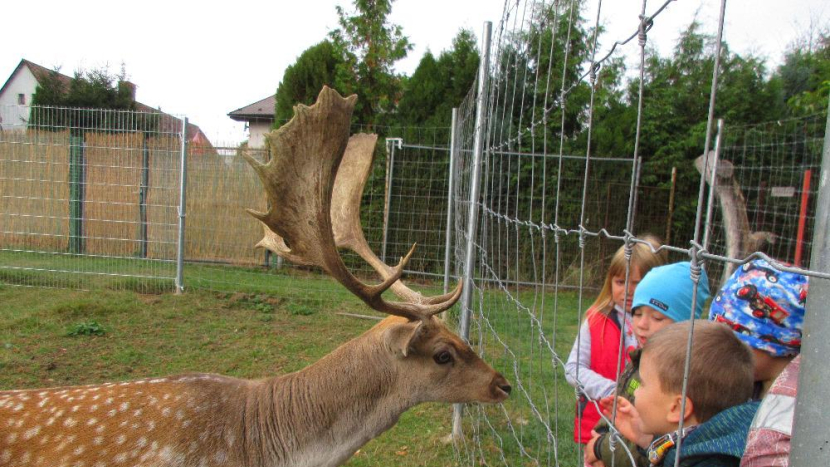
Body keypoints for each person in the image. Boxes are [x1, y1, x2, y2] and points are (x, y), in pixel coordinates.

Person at [585, 261, 710, 467]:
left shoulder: (678, 379)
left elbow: (650, 449)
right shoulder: (639, 359)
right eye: (637, 313)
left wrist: (602, 451)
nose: (642, 324)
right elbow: (619, 405)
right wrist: (599, 435)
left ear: (686, 325)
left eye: (657, 317)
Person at [604, 320, 758, 466]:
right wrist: (646, 440)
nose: (635, 391)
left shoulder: (704, 461)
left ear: (678, 408)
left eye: (642, 384)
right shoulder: (716, 447)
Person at [565, 236, 667, 444]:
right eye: (620, 282)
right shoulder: (596, 320)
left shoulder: (666, 325)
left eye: (638, 283)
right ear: (609, 281)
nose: (628, 290)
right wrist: (613, 390)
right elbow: (573, 368)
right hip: (598, 423)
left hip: (648, 426)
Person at [707, 259, 808, 467]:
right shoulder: (735, 385)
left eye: (736, 339)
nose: (722, 349)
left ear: (778, 343)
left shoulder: (798, 414)